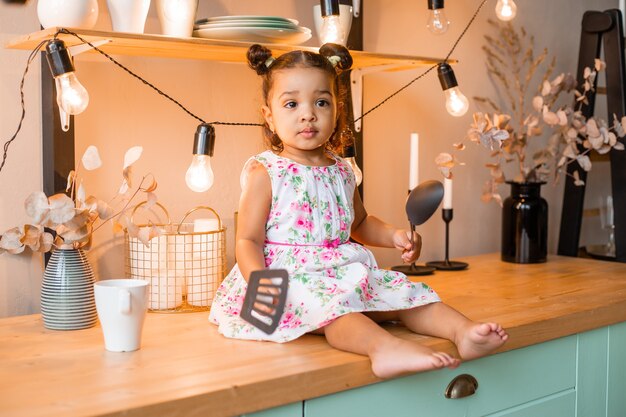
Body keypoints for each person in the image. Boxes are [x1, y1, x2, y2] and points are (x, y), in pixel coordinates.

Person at [209, 43, 508, 379]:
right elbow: (247, 239)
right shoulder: (266, 172)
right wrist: (260, 282)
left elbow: (360, 223)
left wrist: (395, 235)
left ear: (337, 109)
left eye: (321, 102)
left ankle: (462, 332)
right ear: (269, 115)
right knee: (339, 312)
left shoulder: (342, 169)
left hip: (341, 270)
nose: (308, 114)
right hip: (289, 279)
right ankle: (382, 348)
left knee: (403, 293)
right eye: (292, 104)